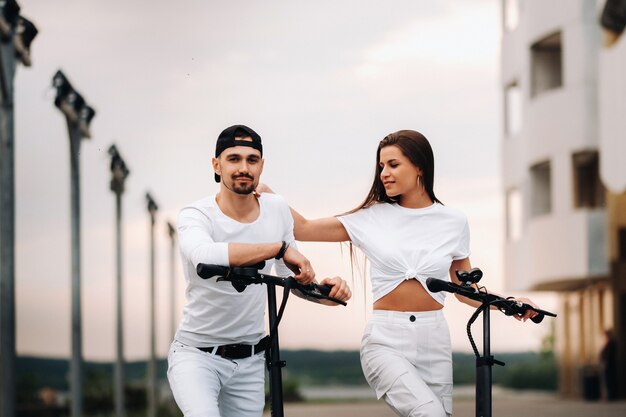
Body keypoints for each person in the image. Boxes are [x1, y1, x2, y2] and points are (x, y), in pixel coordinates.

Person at [259, 129, 540, 417]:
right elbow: (303, 228)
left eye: (393, 165)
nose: (384, 173)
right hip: (386, 340)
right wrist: (271, 198)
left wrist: (509, 303)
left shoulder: (453, 221)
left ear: (419, 167)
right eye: (381, 166)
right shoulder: (372, 216)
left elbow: (465, 290)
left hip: (435, 341)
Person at [167, 124, 352, 417]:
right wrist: (278, 247)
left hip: (250, 362)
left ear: (262, 166)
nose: (244, 167)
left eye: (252, 160)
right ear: (216, 164)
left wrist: (326, 293)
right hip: (197, 357)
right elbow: (204, 254)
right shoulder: (197, 214)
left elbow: (287, 276)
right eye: (234, 158)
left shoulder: (276, 208)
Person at [600, 329, 618, 401]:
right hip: (607, 364)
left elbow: (609, 354)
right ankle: (610, 395)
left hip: (609, 365)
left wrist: (606, 361)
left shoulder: (612, 343)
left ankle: (612, 396)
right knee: (608, 381)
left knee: (610, 380)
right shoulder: (608, 343)